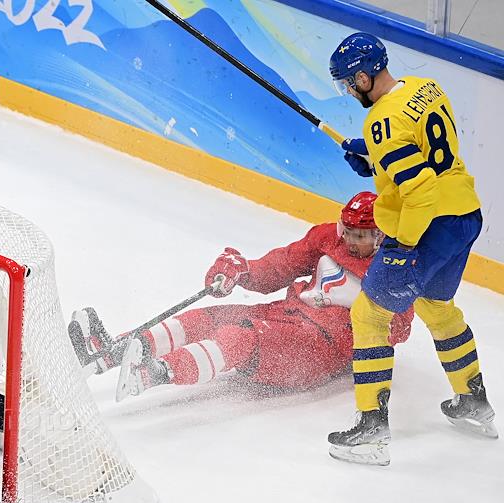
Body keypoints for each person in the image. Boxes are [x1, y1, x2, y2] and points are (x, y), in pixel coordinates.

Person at [327, 32, 495, 464]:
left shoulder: (380, 122)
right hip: (464, 216)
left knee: (369, 314)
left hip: (429, 226)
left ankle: (371, 429)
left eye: (348, 83)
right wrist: (377, 156)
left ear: (363, 78)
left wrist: (403, 244)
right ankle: (473, 401)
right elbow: (421, 150)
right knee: (437, 308)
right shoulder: (425, 87)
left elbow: (419, 189)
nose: (349, 91)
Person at [70, 193, 412, 398]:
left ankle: (152, 374)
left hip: (318, 347)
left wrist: (369, 330)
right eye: (346, 231)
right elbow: (283, 264)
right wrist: (244, 270)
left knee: (240, 336)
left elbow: (398, 328)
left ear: (380, 235)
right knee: (210, 318)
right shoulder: (327, 238)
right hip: (287, 314)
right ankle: (114, 351)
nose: (348, 241)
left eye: (359, 236)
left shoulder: (394, 268)